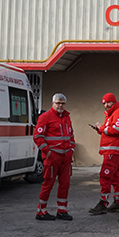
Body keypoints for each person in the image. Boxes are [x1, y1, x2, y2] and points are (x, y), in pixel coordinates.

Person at [33, 93, 75, 221]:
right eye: (58, 103)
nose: (60, 106)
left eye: (62, 103)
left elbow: (71, 135)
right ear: (53, 104)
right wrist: (48, 152)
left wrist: (71, 149)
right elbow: (37, 137)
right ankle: (41, 210)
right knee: (48, 184)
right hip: (53, 157)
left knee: (65, 184)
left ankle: (62, 210)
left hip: (65, 157)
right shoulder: (45, 117)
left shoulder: (67, 117)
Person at [89, 92, 119, 214]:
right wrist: (99, 130)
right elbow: (109, 131)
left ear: (114, 101)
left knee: (105, 175)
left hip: (113, 150)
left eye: (108, 102)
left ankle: (103, 202)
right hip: (111, 150)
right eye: (104, 103)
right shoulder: (111, 115)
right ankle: (118, 202)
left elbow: (116, 130)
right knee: (115, 176)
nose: (106, 105)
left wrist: (101, 128)